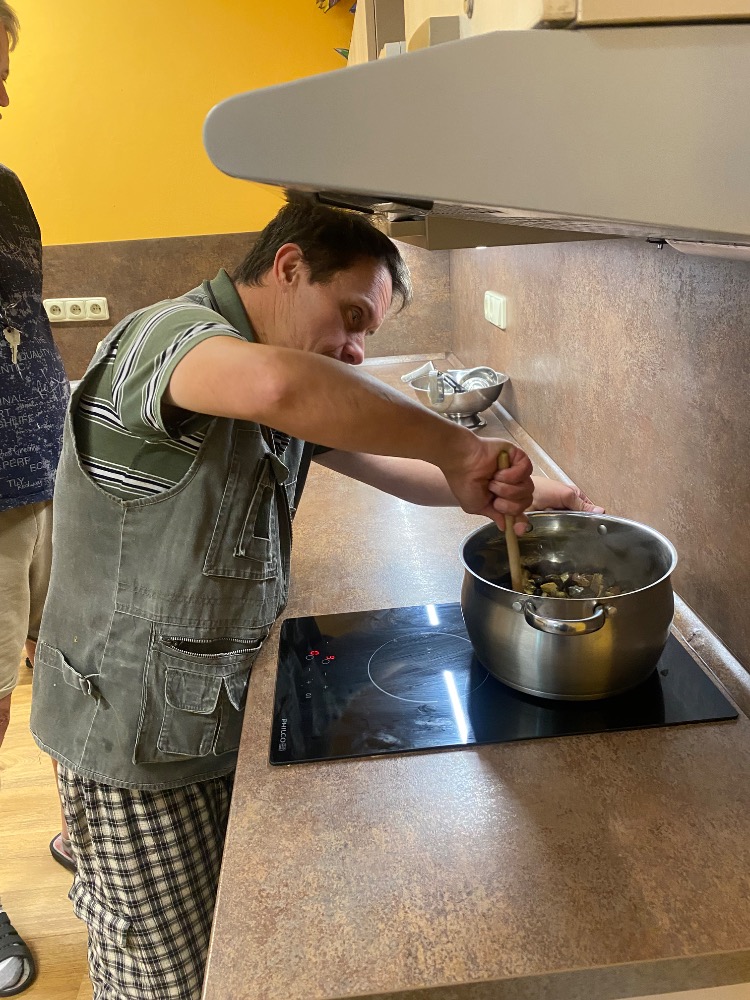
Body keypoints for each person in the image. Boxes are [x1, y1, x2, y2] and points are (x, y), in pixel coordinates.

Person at [29, 195, 600, 999]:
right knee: (162, 982)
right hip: (131, 736)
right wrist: (458, 445)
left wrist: (542, 496)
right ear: (290, 266)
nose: (358, 350)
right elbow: (279, 387)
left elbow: (396, 469)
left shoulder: (270, 364)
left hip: (209, 712)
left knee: (223, 959)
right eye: (352, 316)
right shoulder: (169, 337)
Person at [0, 1, 73, 993]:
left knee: (67, 667)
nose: (6, 94)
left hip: (44, 481)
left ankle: (85, 827)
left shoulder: (8, 191)